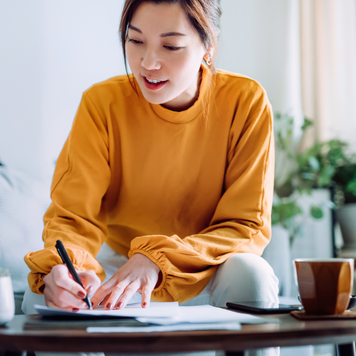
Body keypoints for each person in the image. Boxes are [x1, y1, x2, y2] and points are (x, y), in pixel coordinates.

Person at [23, 0, 279, 354]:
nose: (148, 63)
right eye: (135, 40)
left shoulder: (245, 101)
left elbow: (245, 225)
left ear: (209, 45)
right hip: (119, 268)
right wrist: (70, 271)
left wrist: (159, 260)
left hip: (205, 267)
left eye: (171, 46)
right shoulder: (102, 104)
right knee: (44, 294)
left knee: (253, 273)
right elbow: (72, 218)